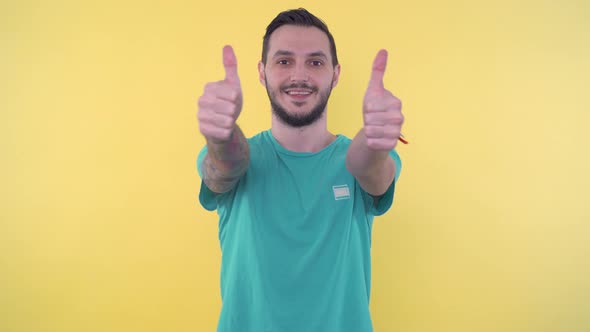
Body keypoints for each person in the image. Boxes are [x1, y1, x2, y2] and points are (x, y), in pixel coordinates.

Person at [196, 8, 404, 332]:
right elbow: (225, 164)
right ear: (262, 72)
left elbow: (368, 168)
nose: (299, 75)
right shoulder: (238, 157)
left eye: (315, 62)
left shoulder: (364, 156)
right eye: (284, 61)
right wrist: (219, 136)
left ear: (335, 74)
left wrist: (376, 141)